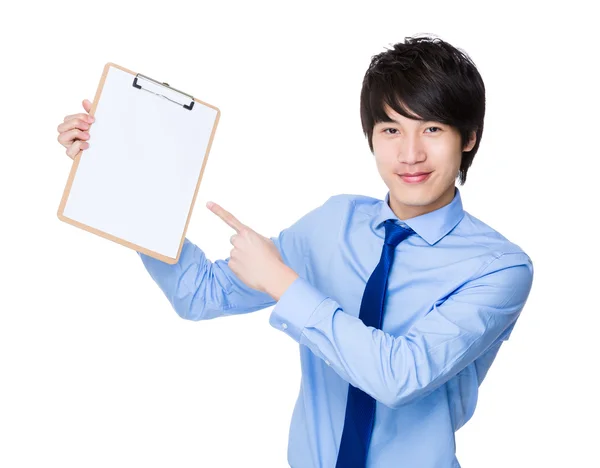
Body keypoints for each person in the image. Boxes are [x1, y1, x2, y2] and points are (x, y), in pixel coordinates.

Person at [56, 34, 534, 468]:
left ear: (468, 138)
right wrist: (119, 174)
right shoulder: (334, 223)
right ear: (371, 136)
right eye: (391, 130)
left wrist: (283, 283)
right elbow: (197, 294)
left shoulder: (499, 268)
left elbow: (399, 377)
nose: (409, 154)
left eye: (431, 130)